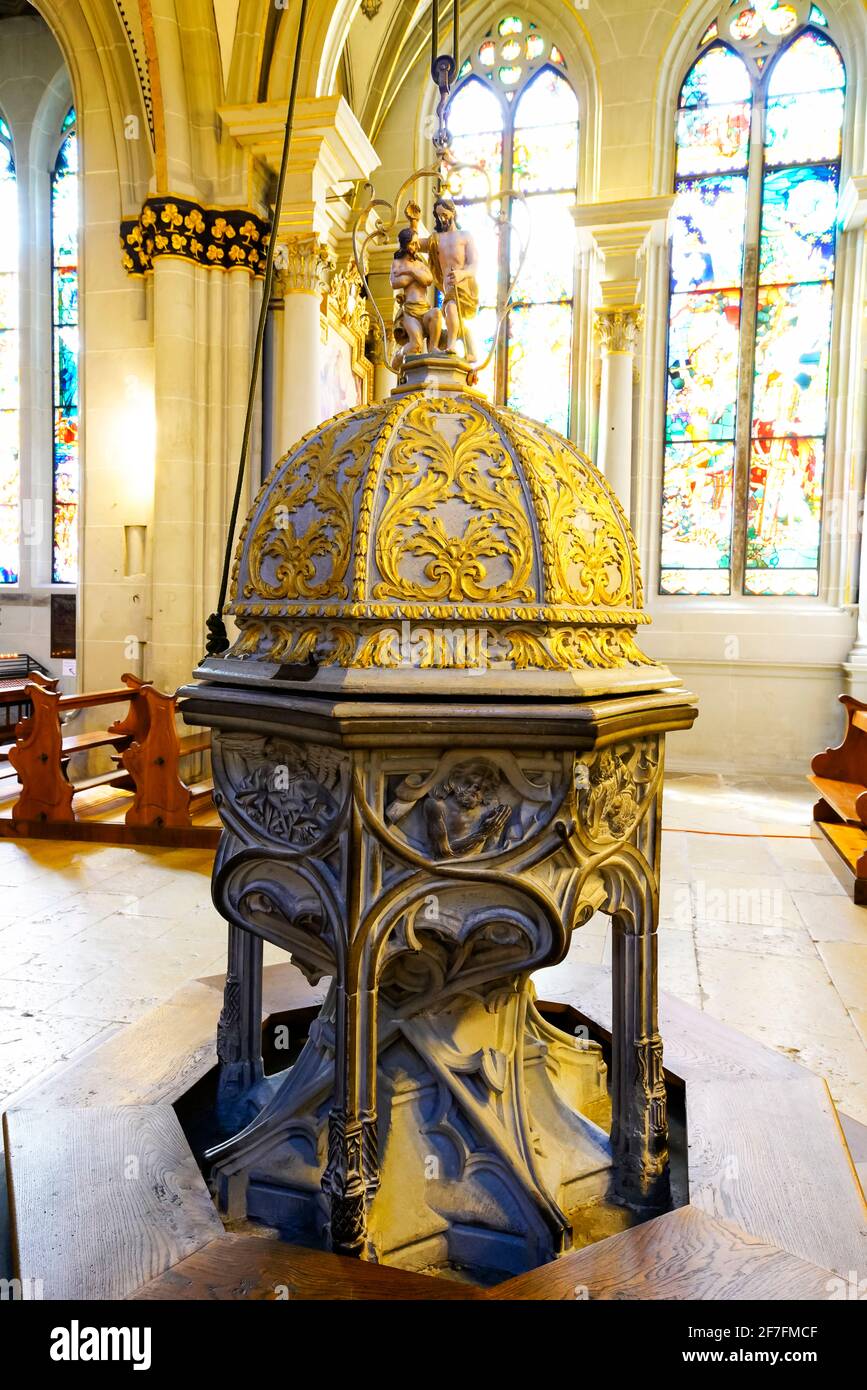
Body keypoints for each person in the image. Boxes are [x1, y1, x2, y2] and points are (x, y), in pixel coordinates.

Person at [413, 195, 480, 360]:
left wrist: (461, 274)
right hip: (448, 286)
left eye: (444, 214)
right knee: (450, 310)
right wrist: (413, 221)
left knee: (451, 310)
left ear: (453, 212)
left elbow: (474, 264)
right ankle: (461, 344)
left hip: (464, 285)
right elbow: (413, 244)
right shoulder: (436, 239)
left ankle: (453, 345)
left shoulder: (465, 236)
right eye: (438, 215)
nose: (442, 218)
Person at [389, 227, 443, 358]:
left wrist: (409, 271)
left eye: (417, 242)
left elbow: (428, 280)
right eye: (413, 243)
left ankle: (433, 348)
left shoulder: (419, 263)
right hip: (410, 312)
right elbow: (395, 282)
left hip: (424, 309)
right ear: (405, 245)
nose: (418, 246)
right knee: (416, 346)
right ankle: (398, 356)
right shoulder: (397, 262)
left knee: (436, 312)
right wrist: (416, 275)